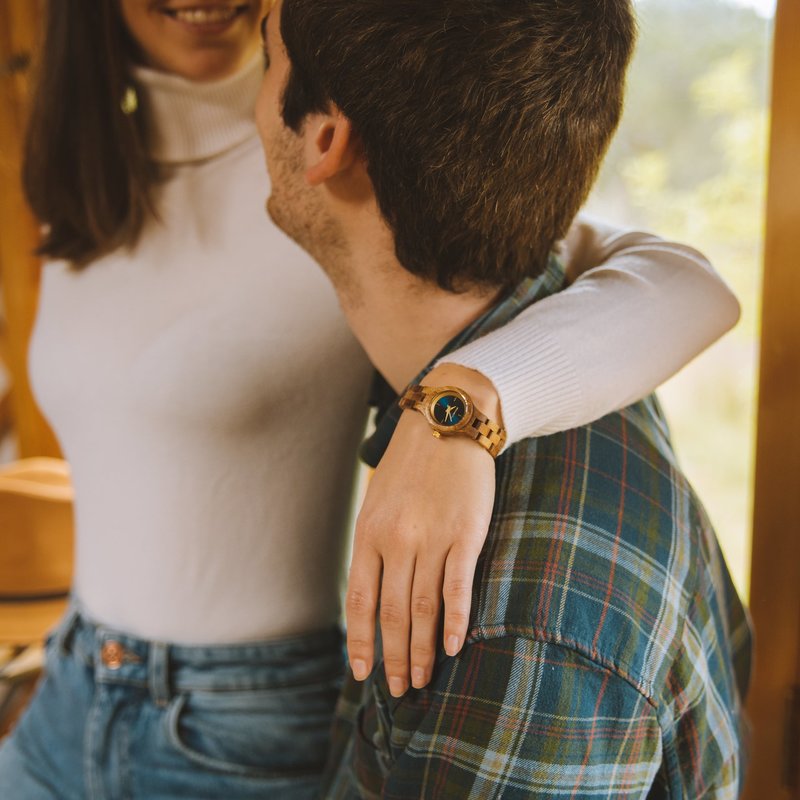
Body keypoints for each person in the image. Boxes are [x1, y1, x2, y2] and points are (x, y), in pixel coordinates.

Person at [0, 1, 739, 798]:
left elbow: (692, 288)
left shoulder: (350, 137)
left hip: (243, 727)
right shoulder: (80, 166)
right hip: (71, 681)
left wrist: (458, 410)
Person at [256, 0, 753, 797]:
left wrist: (451, 413)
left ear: (324, 138)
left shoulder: (516, 633)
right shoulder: (570, 331)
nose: (248, 105)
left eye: (264, 56)